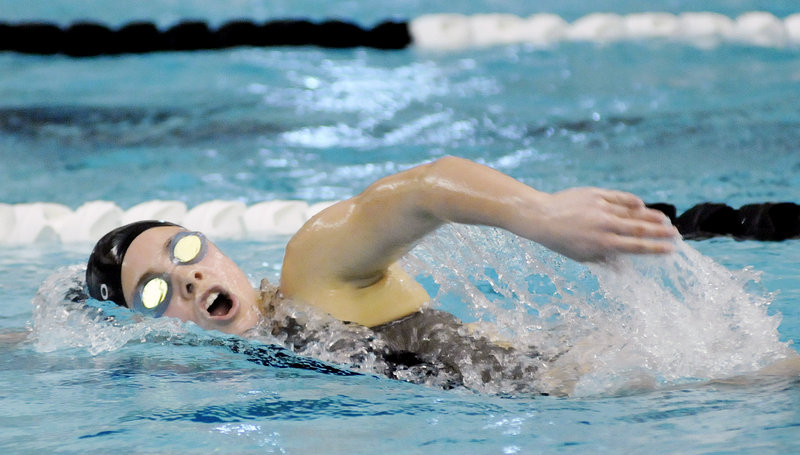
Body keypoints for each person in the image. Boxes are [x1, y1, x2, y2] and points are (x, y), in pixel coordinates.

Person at [85, 156, 677, 386]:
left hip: (597, 382)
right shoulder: (229, 370)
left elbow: (421, 189)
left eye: (185, 251)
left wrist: (541, 214)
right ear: (145, 326)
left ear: (217, 250)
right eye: (156, 290)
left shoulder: (312, 276)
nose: (187, 278)